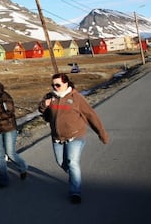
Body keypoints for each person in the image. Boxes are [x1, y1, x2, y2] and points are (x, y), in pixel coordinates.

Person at [38, 73, 109, 204]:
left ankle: (75, 192)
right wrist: (44, 104)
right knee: (61, 163)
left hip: (76, 136)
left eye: (58, 85)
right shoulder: (50, 96)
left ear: (66, 83)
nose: (55, 87)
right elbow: (42, 111)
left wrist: (101, 133)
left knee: (73, 162)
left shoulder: (76, 98)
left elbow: (90, 116)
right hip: (57, 137)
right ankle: (74, 176)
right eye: (53, 85)